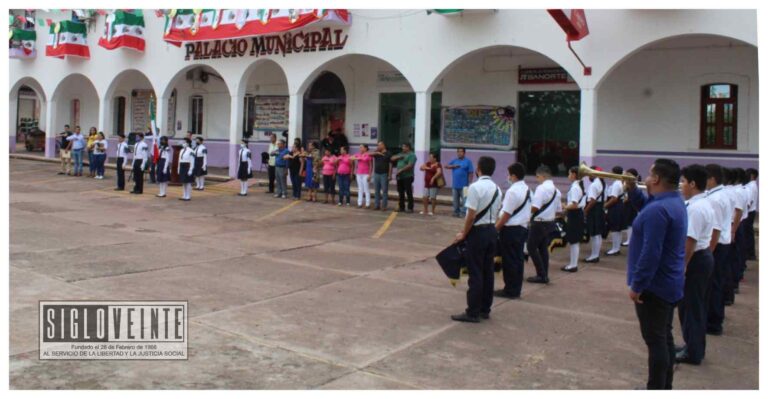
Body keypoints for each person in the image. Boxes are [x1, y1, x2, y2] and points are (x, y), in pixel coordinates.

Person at [627, 158, 687, 390]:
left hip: (654, 287)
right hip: (669, 283)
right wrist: (633, 191)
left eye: (650, 174)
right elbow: (647, 206)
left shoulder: (658, 210)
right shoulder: (673, 202)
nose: (646, 177)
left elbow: (651, 253)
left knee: (656, 341)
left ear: (657, 179)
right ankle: (664, 387)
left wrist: (637, 286)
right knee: (665, 337)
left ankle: (656, 389)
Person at [450, 156, 501, 323]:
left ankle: (472, 311)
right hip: (492, 231)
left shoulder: (475, 187)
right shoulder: (497, 188)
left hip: (478, 233)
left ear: (478, 169)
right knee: (488, 271)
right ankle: (485, 309)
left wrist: (463, 234)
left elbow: (471, 216)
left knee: (475, 273)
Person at [675, 164, 715, 366]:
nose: (681, 185)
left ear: (692, 183)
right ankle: (693, 346)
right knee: (694, 306)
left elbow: (689, 241)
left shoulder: (697, 208)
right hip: (701, 257)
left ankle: (693, 352)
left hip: (696, 259)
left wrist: (682, 267)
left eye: (683, 181)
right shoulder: (699, 203)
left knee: (691, 307)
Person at [494, 162, 531, 298]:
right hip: (522, 228)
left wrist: (496, 229)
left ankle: (509, 290)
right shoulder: (527, 189)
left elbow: (506, 214)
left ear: (514, 176)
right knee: (518, 260)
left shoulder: (512, 191)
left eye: (508, 174)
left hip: (511, 229)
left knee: (509, 261)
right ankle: (516, 289)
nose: (507, 177)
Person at [704, 164, 732, 336]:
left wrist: (709, 251)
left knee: (713, 285)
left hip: (717, 245)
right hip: (722, 244)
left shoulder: (715, 199)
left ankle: (713, 322)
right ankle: (715, 318)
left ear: (712, 179)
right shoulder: (721, 194)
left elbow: (715, 229)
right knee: (716, 283)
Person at [526, 165, 562, 284]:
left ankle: (541, 274)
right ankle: (544, 274)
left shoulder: (541, 188)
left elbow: (535, 206)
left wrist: (525, 213)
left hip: (539, 222)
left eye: (537, 176)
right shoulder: (557, 191)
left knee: (531, 247)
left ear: (543, 176)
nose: (537, 179)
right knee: (543, 249)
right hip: (550, 222)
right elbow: (559, 210)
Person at [562, 166, 586, 272]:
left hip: (575, 214)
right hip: (576, 214)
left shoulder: (575, 187)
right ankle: (572, 264)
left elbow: (575, 205)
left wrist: (565, 207)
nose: (568, 176)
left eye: (569, 173)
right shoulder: (577, 186)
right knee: (574, 241)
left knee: (574, 241)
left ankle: (573, 265)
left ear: (574, 175)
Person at [584, 167, 606, 263]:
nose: (588, 176)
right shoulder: (602, 183)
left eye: (589, 174)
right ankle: (595, 254)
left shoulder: (594, 185)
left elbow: (592, 201)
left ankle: (594, 255)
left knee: (594, 234)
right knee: (598, 234)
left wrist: (585, 210)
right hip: (599, 208)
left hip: (594, 209)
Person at [445, 148, 474, 218]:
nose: (459, 153)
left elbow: (471, 173)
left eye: (461, 152)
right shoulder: (455, 161)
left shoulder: (468, 162)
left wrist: (470, 183)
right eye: (458, 152)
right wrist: (454, 166)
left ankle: (463, 213)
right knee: (455, 200)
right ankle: (456, 212)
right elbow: (446, 166)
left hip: (465, 186)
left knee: (465, 200)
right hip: (455, 185)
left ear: (464, 153)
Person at [605, 166, 626, 256]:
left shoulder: (616, 184)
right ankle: (616, 248)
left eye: (612, 172)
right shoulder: (620, 182)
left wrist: (605, 206)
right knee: (618, 229)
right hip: (619, 206)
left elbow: (614, 198)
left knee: (615, 228)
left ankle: (615, 248)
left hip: (615, 207)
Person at [392, 143, 417, 213]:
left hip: (408, 176)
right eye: (402, 147)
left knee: (408, 192)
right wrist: (399, 157)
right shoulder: (401, 154)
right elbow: (392, 158)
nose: (403, 148)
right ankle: (401, 207)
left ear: (408, 147)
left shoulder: (412, 155)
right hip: (400, 177)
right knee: (400, 192)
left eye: (404, 147)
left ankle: (410, 208)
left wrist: (401, 170)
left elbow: (410, 165)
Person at [370, 141, 392, 211]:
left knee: (384, 191)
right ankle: (377, 205)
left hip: (384, 174)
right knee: (376, 191)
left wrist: (390, 175)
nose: (378, 146)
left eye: (379, 145)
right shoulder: (376, 153)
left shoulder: (388, 153)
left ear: (383, 145)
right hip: (376, 174)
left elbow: (390, 165)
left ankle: (384, 206)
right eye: (377, 145)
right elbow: (368, 154)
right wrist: (376, 152)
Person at [622, 168, 641, 247]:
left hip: (631, 205)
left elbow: (629, 195)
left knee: (630, 223)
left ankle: (630, 240)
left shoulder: (634, 184)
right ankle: (629, 239)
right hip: (629, 204)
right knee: (629, 222)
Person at [420, 152, 443, 216]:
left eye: (431, 157)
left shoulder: (438, 164)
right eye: (429, 157)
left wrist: (433, 178)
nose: (430, 158)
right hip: (427, 183)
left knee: (433, 197)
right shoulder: (428, 163)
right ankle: (425, 210)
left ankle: (432, 211)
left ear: (435, 158)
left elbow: (439, 172)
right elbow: (421, 168)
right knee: (425, 197)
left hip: (434, 184)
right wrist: (428, 168)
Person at [352, 144, 373, 208]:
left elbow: (371, 165)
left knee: (366, 189)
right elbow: (351, 157)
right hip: (359, 173)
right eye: (360, 147)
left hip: (366, 174)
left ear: (365, 148)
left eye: (361, 147)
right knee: (360, 189)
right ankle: (359, 203)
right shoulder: (358, 154)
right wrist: (358, 157)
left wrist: (370, 175)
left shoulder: (368, 155)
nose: (360, 149)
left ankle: (367, 204)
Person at [744, 168, 758, 261]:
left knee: (747, 234)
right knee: (749, 233)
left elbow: (749, 201)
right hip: (751, 211)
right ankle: (750, 253)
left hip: (749, 212)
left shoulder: (750, 186)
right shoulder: (753, 185)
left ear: (752, 175)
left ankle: (750, 253)